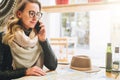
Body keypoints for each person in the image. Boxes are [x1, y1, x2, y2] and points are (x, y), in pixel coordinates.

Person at [0, 0, 58, 80]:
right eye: (31, 13)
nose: (35, 18)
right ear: (19, 14)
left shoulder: (38, 36)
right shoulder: (5, 37)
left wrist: (43, 41)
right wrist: (25, 71)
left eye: (37, 14)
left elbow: (52, 65)